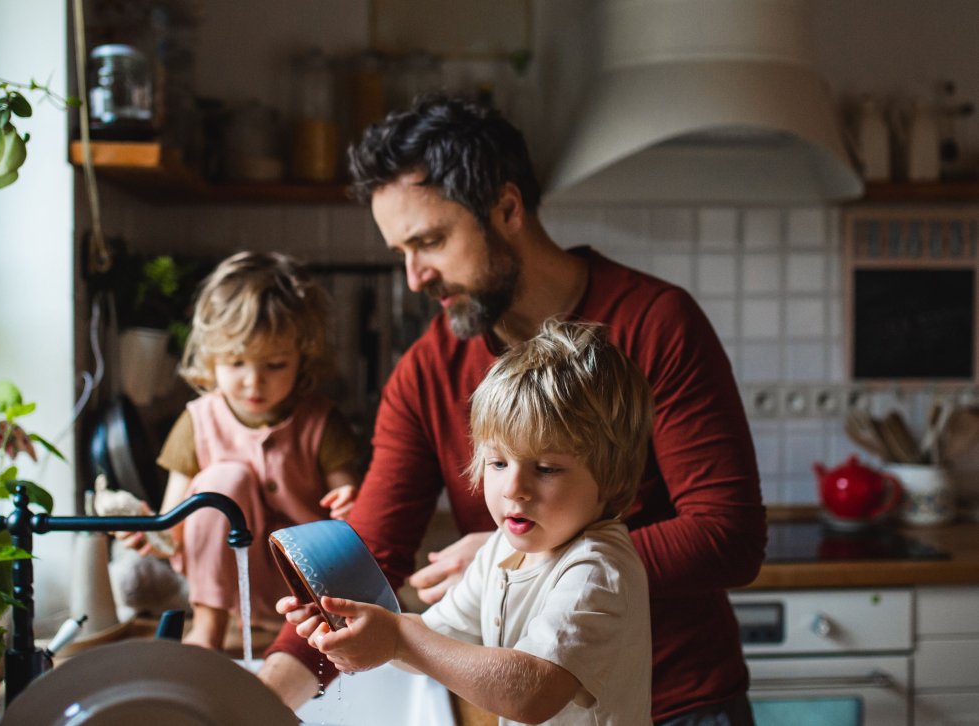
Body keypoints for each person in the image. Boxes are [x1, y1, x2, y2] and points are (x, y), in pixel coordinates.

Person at [257, 96, 766, 725]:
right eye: (401, 252)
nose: (415, 277)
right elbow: (368, 556)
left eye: (431, 241)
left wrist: (532, 556)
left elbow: (728, 534)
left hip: (682, 703)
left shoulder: (656, 324)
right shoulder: (427, 371)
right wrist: (258, 702)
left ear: (506, 207)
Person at [301, 320, 654, 725]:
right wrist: (362, 629)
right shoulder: (501, 550)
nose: (513, 488)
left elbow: (532, 694)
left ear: (613, 477)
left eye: (546, 468)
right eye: (499, 462)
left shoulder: (595, 569)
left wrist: (399, 639)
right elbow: (433, 642)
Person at [124, 251, 361, 651]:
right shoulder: (197, 421)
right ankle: (208, 630)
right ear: (212, 358)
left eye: (274, 365)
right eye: (236, 363)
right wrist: (151, 531)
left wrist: (350, 503)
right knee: (222, 481)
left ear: (302, 358)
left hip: (308, 587)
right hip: (228, 590)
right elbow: (174, 524)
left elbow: (354, 507)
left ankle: (299, 635)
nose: (254, 382)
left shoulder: (320, 421)